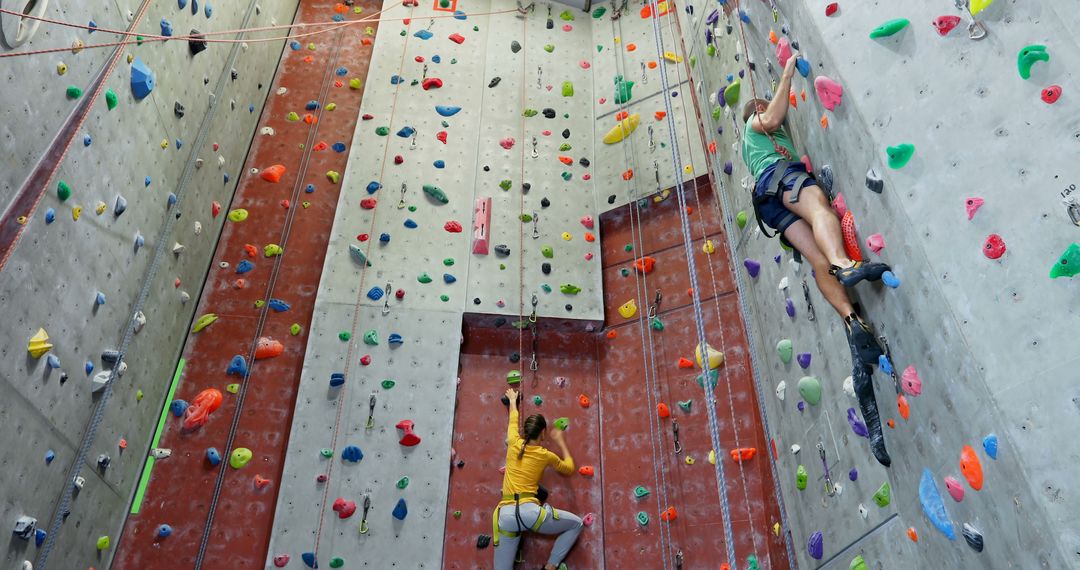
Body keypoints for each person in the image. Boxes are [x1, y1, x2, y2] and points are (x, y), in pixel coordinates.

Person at [741, 56, 892, 467]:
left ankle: (850, 318)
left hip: (768, 203)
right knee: (822, 211)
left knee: (816, 262)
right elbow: (771, 117)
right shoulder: (754, 127)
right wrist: (787, 71)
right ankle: (846, 264)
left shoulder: (754, 154)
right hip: (780, 178)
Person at [492, 388, 583, 570]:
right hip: (531, 513)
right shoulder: (545, 455)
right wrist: (561, 442)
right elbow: (568, 468)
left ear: (525, 431)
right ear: (542, 433)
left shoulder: (513, 442)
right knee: (576, 524)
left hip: (506, 516)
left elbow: (513, 419)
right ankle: (550, 567)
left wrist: (512, 400)